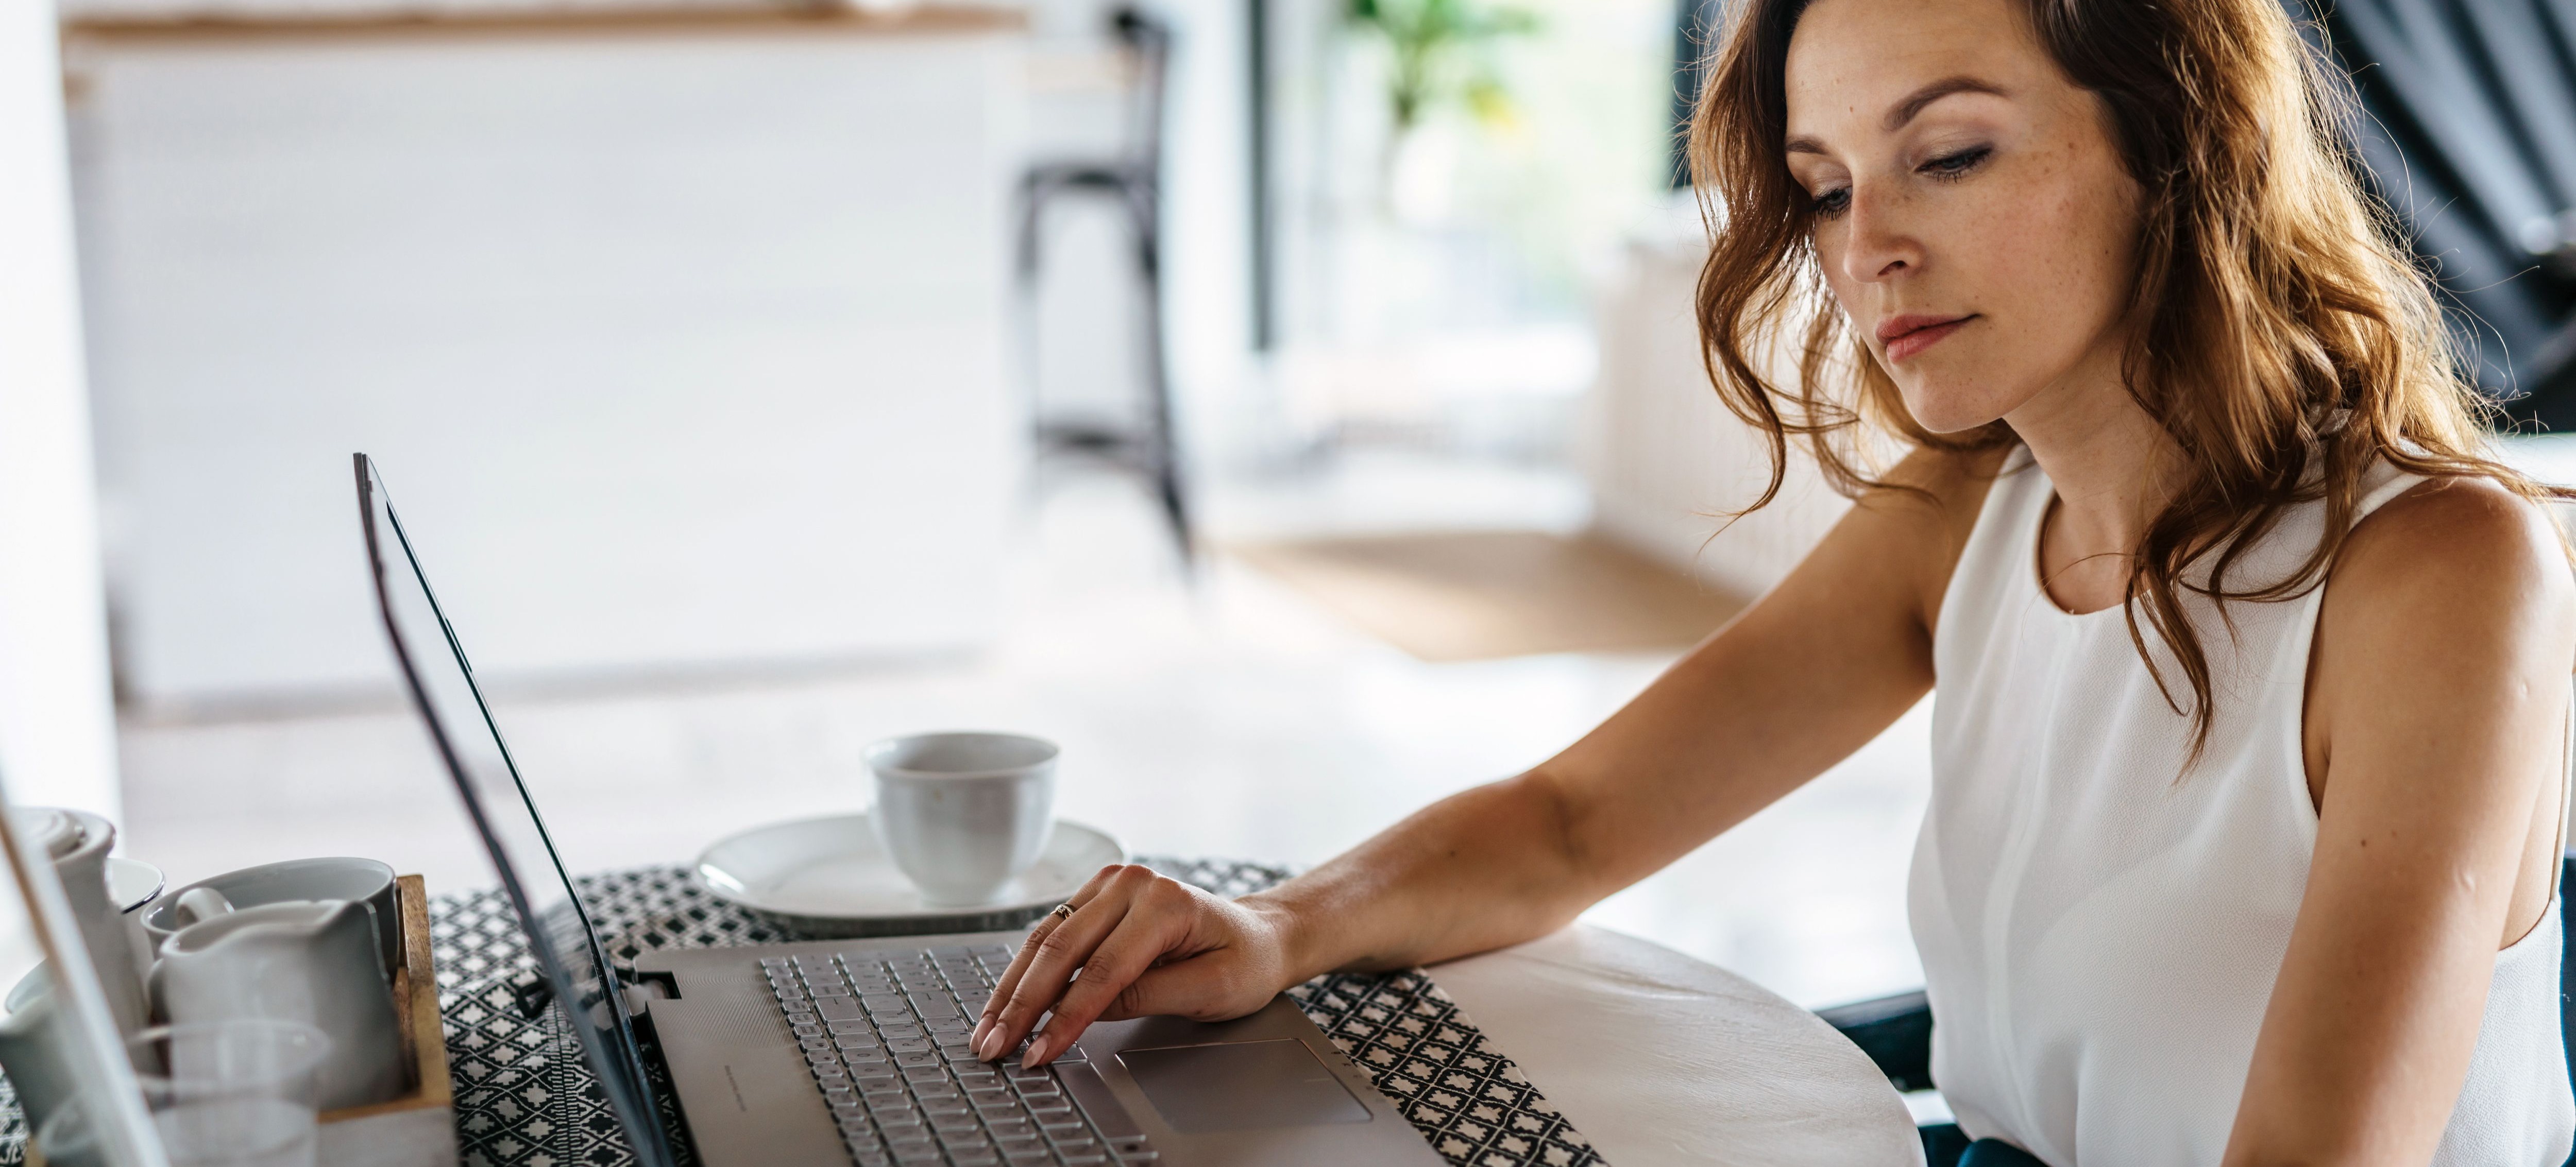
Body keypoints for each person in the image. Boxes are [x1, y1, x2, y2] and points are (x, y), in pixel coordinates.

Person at [971, 0, 2576, 1161]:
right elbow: (1576, 822)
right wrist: (1273, 923)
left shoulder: (2440, 574)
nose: (1863, 243)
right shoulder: (1973, 509)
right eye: (1822, 183)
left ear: (2177, 140)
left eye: (1946, 153)